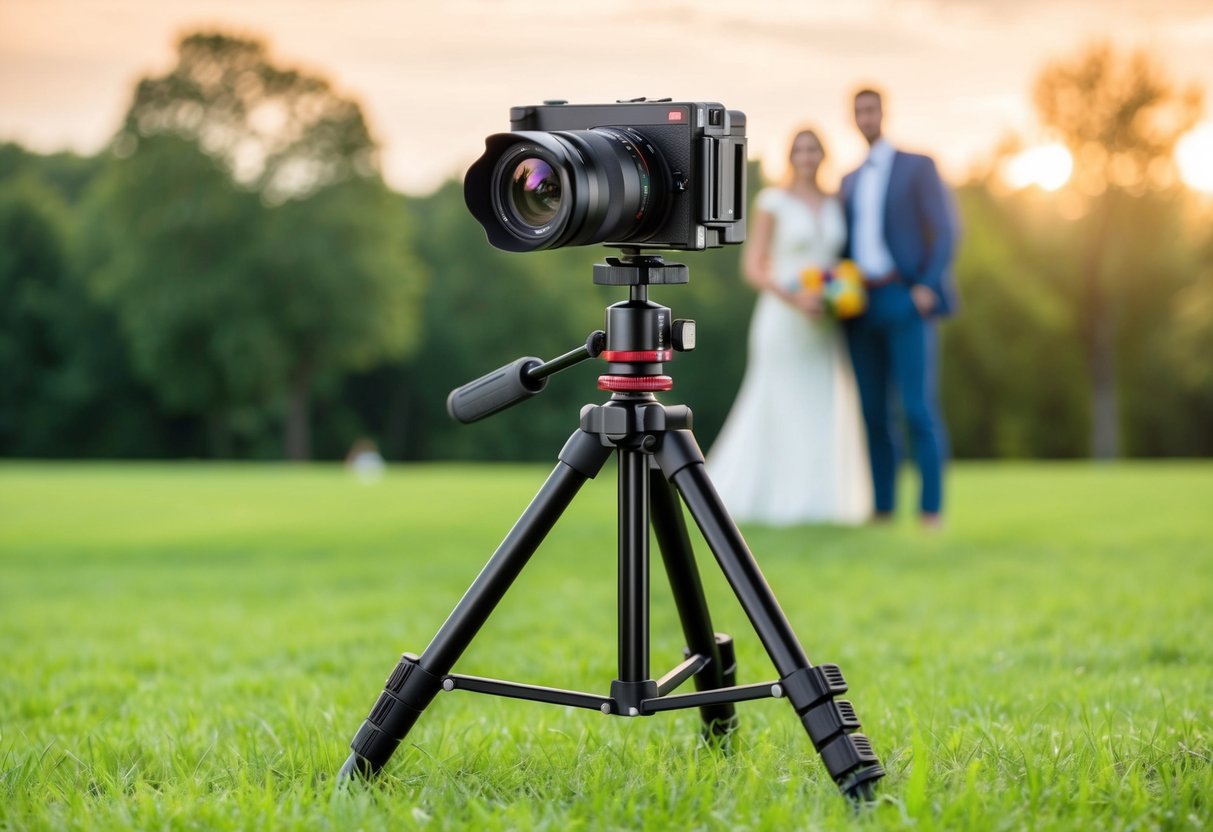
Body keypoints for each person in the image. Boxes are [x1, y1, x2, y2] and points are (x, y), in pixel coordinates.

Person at [707, 129, 871, 526]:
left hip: (823, 323)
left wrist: (837, 296)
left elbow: (838, 262)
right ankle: (769, 498)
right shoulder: (773, 202)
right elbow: (753, 268)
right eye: (799, 148)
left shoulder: (836, 201)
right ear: (790, 155)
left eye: (814, 148)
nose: (807, 155)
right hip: (782, 317)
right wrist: (794, 298)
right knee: (778, 402)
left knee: (819, 405)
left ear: (823, 154)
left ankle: (821, 502)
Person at [840, 88, 958, 528]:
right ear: (853, 119)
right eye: (858, 112)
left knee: (916, 408)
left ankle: (931, 510)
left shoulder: (917, 166)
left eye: (871, 109)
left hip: (905, 298)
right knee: (873, 412)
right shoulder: (848, 180)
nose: (865, 117)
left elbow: (945, 231)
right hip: (859, 305)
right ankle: (884, 508)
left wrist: (927, 286)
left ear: (883, 113)